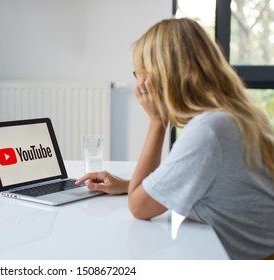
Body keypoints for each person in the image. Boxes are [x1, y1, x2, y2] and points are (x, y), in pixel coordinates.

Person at [75, 18, 274, 260]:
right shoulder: (230, 117)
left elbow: (139, 208)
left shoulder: (208, 131)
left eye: (142, 74)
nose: (140, 85)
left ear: (165, 75)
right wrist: (127, 186)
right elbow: (188, 182)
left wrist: (157, 121)